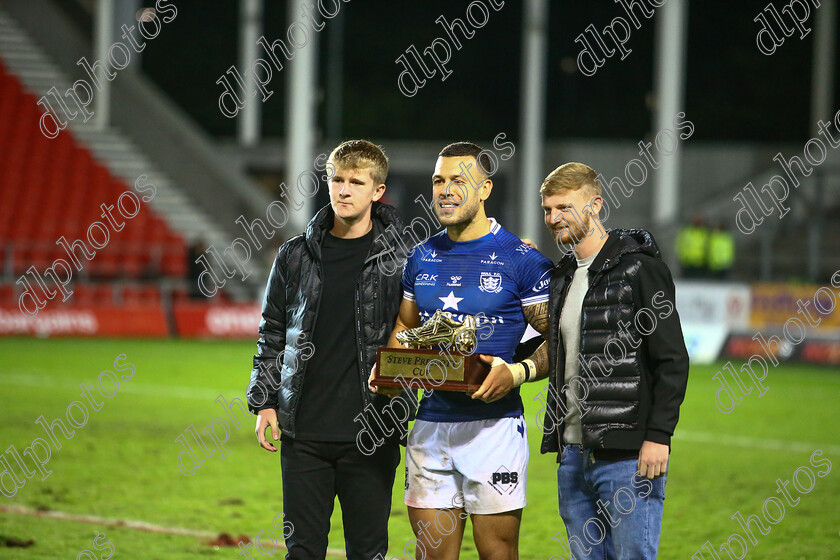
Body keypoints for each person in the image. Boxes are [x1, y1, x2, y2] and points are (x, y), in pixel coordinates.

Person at [371, 142, 553, 560]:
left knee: (497, 553)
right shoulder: (421, 256)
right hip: (431, 427)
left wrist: (518, 372)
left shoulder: (521, 260)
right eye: (438, 181)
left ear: (485, 188)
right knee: (432, 555)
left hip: (495, 430)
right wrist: (390, 371)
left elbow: (561, 339)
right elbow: (405, 326)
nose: (445, 190)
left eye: (458, 180)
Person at [246, 140, 408, 560]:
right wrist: (264, 402)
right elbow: (273, 332)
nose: (344, 189)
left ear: (378, 191)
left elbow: (416, 334)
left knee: (368, 551)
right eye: (337, 179)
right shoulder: (295, 254)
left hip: (372, 432)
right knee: (302, 551)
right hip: (304, 433)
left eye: (356, 181)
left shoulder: (405, 259)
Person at [538, 162, 689, 560]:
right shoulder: (563, 276)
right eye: (548, 210)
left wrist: (658, 435)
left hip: (628, 456)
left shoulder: (640, 268)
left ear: (595, 206)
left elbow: (671, 359)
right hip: (572, 454)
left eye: (564, 208)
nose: (554, 219)